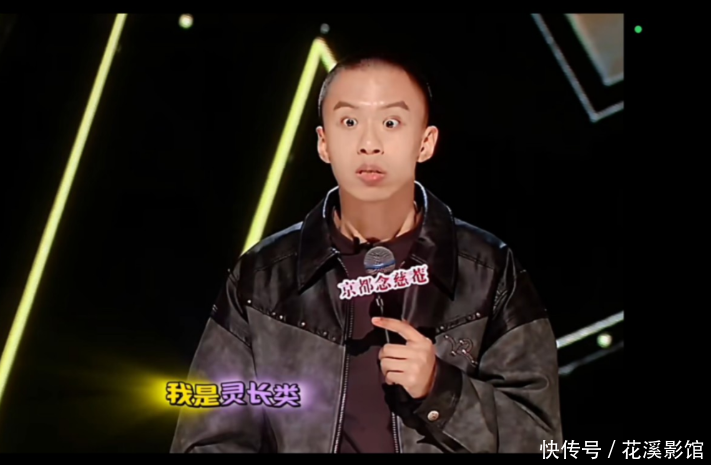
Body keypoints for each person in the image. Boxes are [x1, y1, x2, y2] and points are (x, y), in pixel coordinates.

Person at [169, 51, 563, 453]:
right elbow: (208, 437)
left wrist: (440, 388)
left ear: (425, 142)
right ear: (324, 143)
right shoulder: (263, 278)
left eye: (391, 123)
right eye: (349, 122)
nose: (369, 144)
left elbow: (540, 440)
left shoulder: (489, 270)